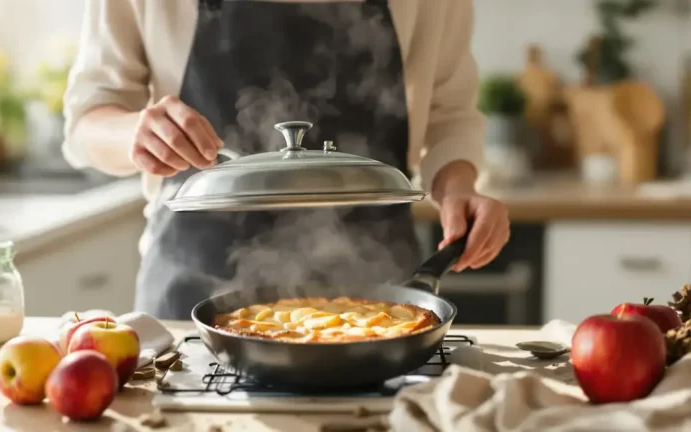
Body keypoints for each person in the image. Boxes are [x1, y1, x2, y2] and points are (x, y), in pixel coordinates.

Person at [62, 0, 511, 320]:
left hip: (380, 300)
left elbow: (449, 114)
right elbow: (87, 120)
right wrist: (136, 134)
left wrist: (458, 191)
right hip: (191, 298)